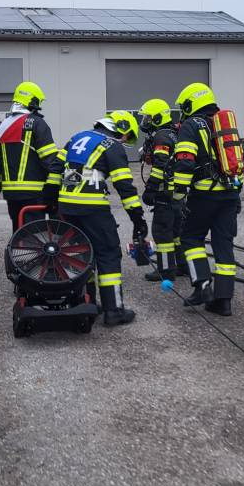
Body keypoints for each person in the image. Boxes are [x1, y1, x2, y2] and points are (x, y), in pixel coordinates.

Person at [57, 111, 147, 326]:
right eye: (127, 136)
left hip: (66, 208)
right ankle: (113, 311)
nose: (124, 141)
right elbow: (124, 186)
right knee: (108, 254)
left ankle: (85, 303)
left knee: (81, 254)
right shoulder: (111, 145)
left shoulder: (76, 138)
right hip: (93, 208)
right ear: (121, 127)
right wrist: (138, 218)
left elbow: (54, 170)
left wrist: (53, 203)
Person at [172, 83, 241, 317]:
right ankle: (224, 302)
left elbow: (185, 161)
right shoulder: (224, 124)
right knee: (224, 245)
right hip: (230, 194)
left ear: (191, 103)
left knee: (190, 238)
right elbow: (235, 160)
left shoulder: (191, 125)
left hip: (203, 194)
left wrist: (178, 195)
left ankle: (202, 286)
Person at [0, 82, 62, 231]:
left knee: (19, 230)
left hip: (11, 194)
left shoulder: (3, 126)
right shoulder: (38, 123)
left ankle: (17, 247)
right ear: (32, 101)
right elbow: (49, 159)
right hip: (35, 192)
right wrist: (59, 182)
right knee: (36, 234)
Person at [137, 98, 185, 282]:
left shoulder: (161, 137)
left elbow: (160, 165)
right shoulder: (173, 134)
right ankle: (182, 265)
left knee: (162, 232)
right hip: (177, 193)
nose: (145, 122)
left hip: (165, 193)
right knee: (176, 232)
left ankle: (165, 271)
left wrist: (151, 189)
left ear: (157, 118)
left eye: (148, 118)